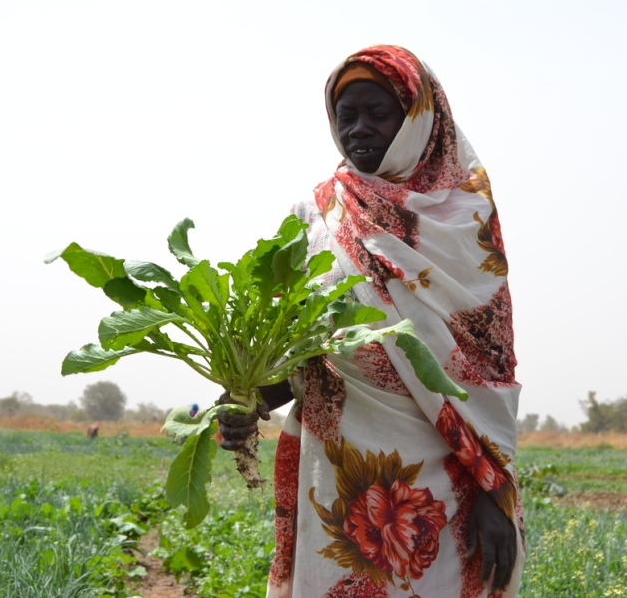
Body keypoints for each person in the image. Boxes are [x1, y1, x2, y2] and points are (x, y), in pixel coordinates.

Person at [219, 45, 524, 597]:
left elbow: (488, 372)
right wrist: (246, 403)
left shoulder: (465, 217)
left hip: (443, 484)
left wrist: (491, 488)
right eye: (345, 115)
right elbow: (298, 356)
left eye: (378, 114)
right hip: (335, 478)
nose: (358, 129)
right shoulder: (318, 215)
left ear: (419, 118)